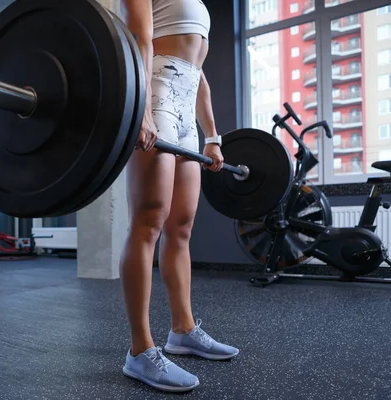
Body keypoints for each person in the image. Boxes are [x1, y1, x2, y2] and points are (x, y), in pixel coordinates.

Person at [119, 0, 240, 393]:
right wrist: (141, 110)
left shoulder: (199, 6)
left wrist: (213, 135)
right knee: (149, 219)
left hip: (185, 103)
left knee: (182, 226)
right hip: (155, 93)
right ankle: (140, 351)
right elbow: (139, 38)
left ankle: (183, 331)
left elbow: (198, 72)